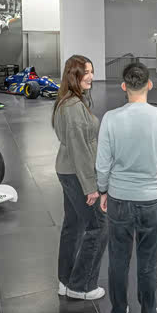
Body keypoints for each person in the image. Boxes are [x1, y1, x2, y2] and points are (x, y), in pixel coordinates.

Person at [97, 62, 157, 313]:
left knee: (117, 260)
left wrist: (103, 190)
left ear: (124, 86)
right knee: (148, 262)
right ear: (149, 84)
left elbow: (103, 163)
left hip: (118, 199)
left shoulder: (110, 118)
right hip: (152, 201)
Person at [53, 55, 107, 300]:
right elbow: (79, 148)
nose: (91, 77)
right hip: (76, 174)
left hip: (68, 169)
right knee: (99, 226)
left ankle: (66, 281)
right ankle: (81, 286)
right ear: (73, 75)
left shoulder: (69, 101)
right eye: (86, 72)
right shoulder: (73, 106)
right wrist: (90, 187)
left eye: (92, 72)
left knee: (73, 225)